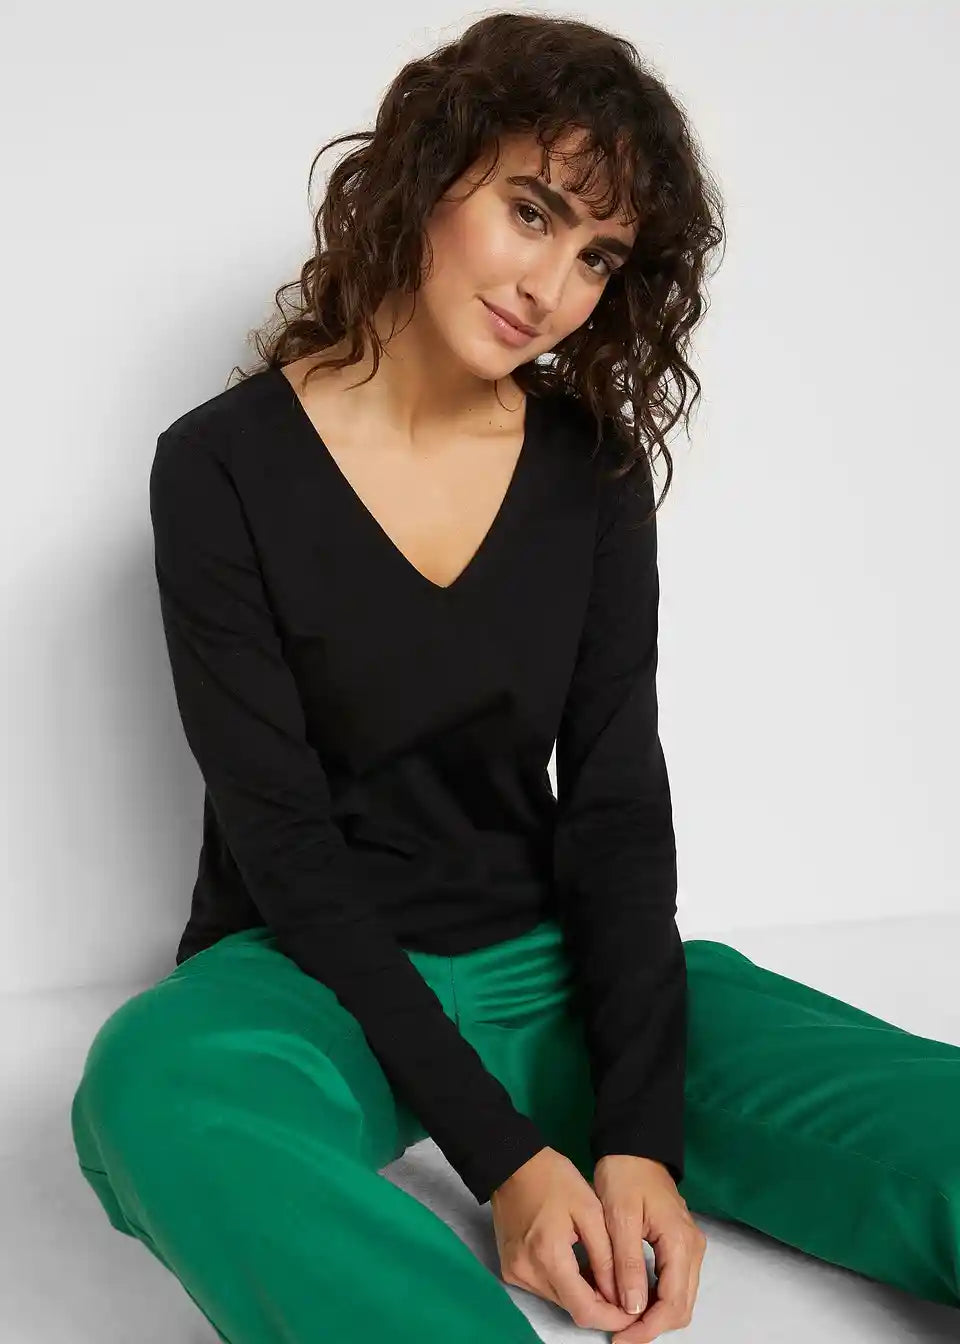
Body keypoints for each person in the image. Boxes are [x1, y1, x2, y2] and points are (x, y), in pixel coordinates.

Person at [70, 13, 960, 1344]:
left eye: (598, 255)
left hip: (552, 965)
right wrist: (509, 1163)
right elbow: (284, 841)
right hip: (307, 974)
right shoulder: (219, 466)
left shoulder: (592, 473)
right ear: (428, 178)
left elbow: (615, 801)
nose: (552, 286)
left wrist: (640, 1138)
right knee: (151, 1094)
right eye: (532, 212)